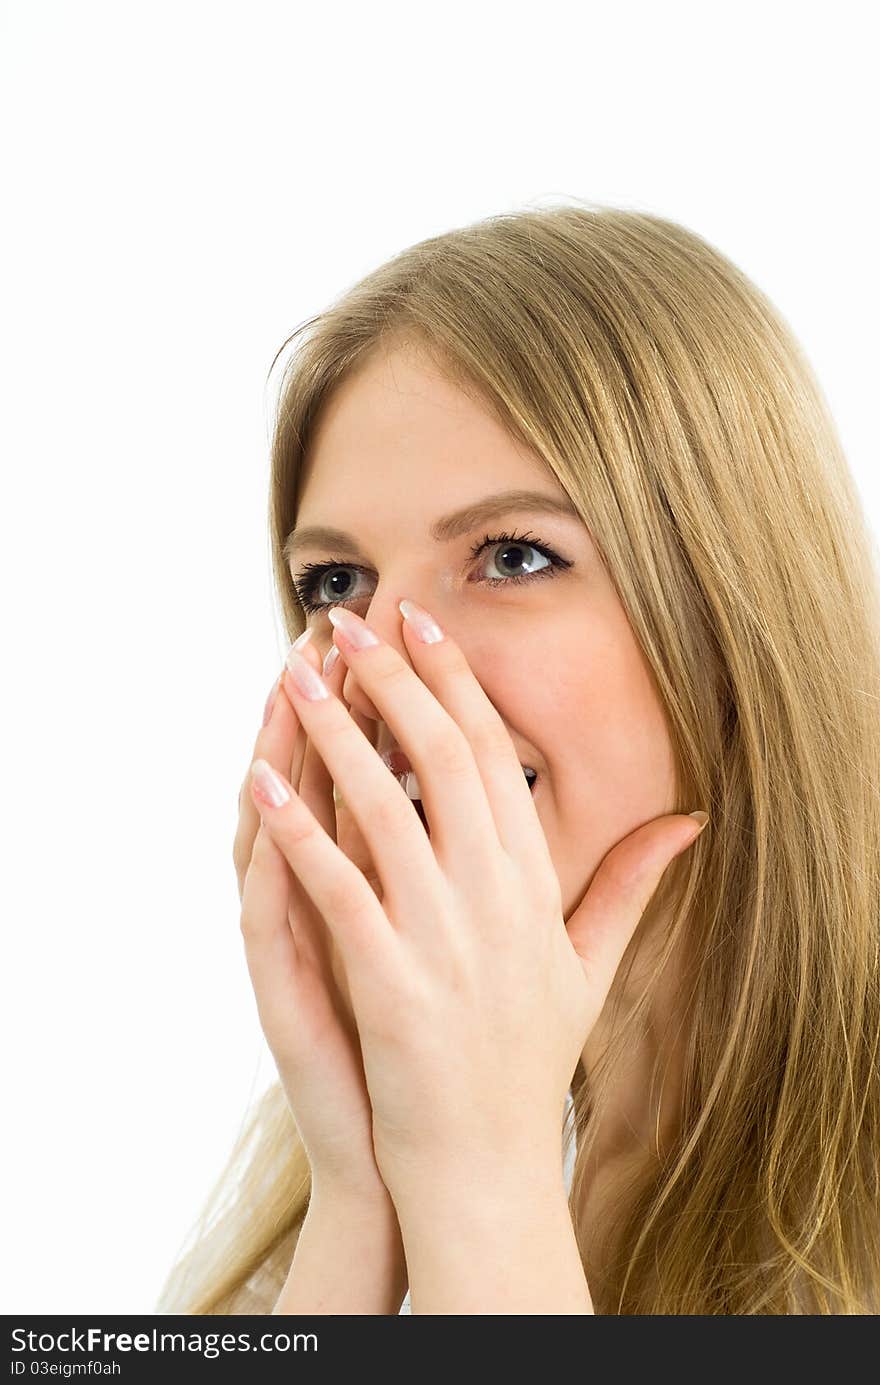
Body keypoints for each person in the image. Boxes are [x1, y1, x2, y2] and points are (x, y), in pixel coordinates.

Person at [157, 202, 880, 1315]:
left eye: (511, 553)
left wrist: (479, 1183)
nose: (379, 657)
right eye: (335, 583)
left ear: (736, 616)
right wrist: (362, 1190)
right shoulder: (356, 1166)